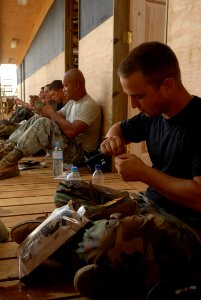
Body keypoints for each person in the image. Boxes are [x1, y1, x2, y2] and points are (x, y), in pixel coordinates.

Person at [72, 42, 201, 299]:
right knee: (70, 190)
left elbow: (199, 197)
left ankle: (68, 237)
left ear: (167, 85)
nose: (133, 104)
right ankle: (93, 249)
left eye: (138, 96)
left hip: (186, 227)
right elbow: (120, 127)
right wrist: (111, 138)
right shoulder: (154, 114)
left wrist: (144, 174)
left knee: (112, 239)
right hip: (146, 206)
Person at [0, 68, 101, 179]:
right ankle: (6, 152)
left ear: (76, 86)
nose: (64, 90)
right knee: (37, 119)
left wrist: (51, 113)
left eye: (66, 86)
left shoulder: (89, 105)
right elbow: (54, 116)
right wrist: (40, 107)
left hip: (80, 156)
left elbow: (72, 131)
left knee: (44, 123)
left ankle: (9, 163)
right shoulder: (72, 103)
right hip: (68, 147)